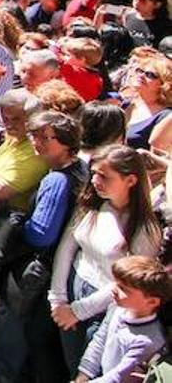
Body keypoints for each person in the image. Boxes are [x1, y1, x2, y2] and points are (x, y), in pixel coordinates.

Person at [0, 110, 89, 383]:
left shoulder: (56, 180)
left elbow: (41, 234)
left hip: (41, 267)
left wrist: (16, 223)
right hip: (64, 268)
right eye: (35, 136)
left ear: (67, 141)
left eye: (46, 137)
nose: (37, 142)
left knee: (18, 325)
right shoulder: (81, 168)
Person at [48, 145, 161, 375]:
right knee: (73, 367)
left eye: (105, 176)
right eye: (95, 173)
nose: (96, 181)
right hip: (72, 288)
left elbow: (130, 282)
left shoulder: (145, 229)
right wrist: (58, 297)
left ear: (130, 180)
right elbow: (67, 247)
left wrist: (78, 311)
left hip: (105, 304)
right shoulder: (91, 204)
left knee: (90, 369)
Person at [75, 255, 169, 383]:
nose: (114, 290)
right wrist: (84, 375)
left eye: (123, 289)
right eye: (116, 283)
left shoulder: (147, 341)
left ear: (152, 301)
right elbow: (99, 340)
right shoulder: (118, 308)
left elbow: (119, 376)